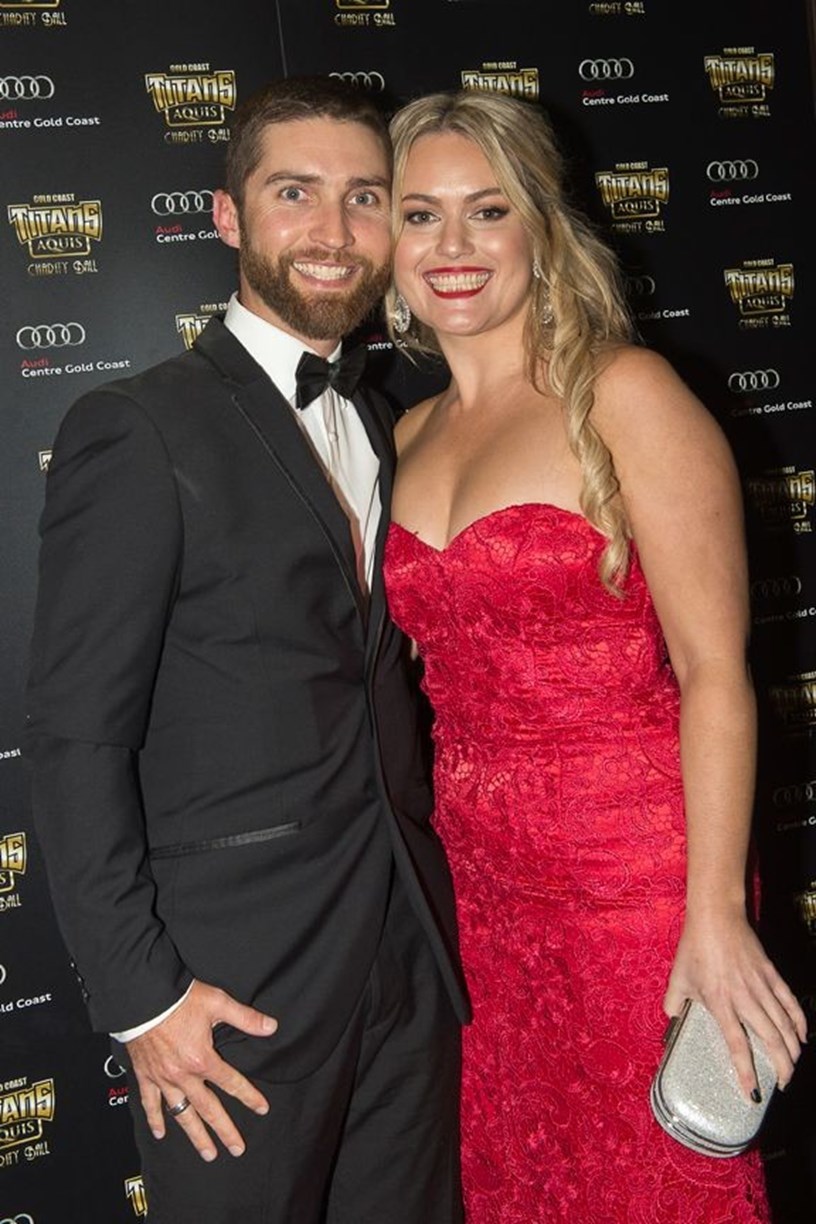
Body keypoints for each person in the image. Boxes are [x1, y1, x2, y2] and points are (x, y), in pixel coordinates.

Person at [24, 76, 468, 1224]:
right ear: (227, 216)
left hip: (407, 953)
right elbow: (75, 740)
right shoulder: (138, 428)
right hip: (233, 993)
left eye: (365, 197)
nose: (334, 231)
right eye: (294, 193)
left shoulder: (388, 419)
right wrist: (143, 1000)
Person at [381, 88, 806, 1223]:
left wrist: (715, 914)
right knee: (520, 1177)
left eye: (488, 211)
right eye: (421, 215)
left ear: (541, 225)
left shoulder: (623, 394)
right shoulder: (404, 435)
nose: (454, 246)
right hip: (480, 900)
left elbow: (716, 672)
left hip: (638, 889)